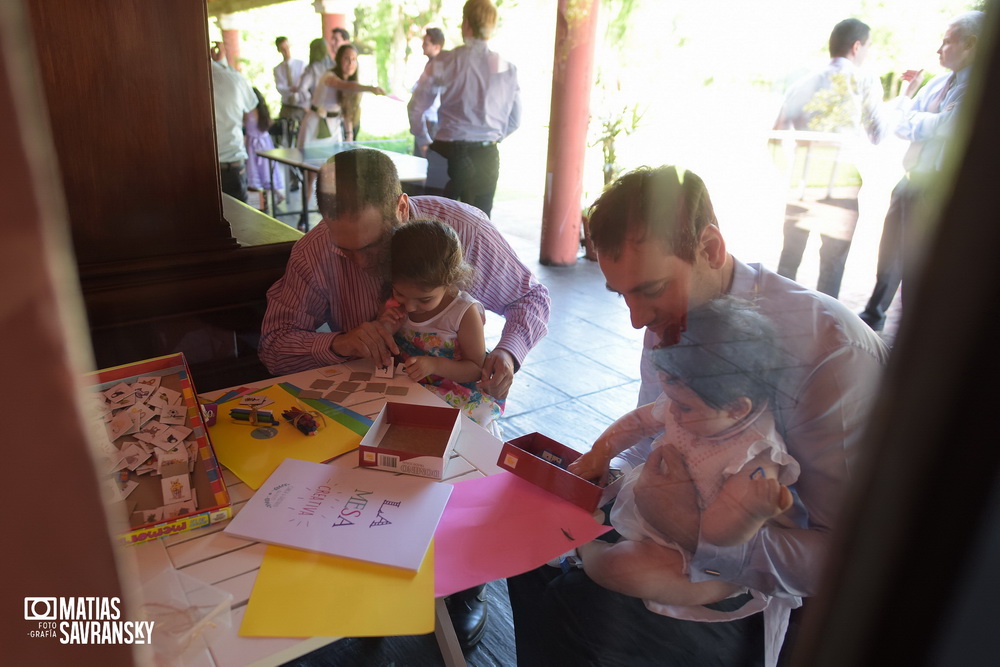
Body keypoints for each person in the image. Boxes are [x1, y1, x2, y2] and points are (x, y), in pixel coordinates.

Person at [508, 165, 888, 665]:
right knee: (526, 544)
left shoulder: (829, 354)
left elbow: (847, 560)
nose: (636, 319)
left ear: (709, 248)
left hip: (769, 594)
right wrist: (605, 479)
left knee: (577, 611)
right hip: (668, 532)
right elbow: (659, 433)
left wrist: (698, 534)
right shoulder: (673, 320)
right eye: (621, 294)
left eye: (649, 288)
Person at [259, 148, 551, 648]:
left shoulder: (461, 232)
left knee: (467, 474)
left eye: (370, 249)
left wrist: (507, 353)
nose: (357, 263)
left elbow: (532, 298)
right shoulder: (317, 250)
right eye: (342, 248)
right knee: (364, 484)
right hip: (372, 396)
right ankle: (377, 578)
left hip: (453, 398)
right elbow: (273, 345)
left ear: (399, 209)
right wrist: (336, 343)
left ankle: (464, 588)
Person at [570, 296, 799, 604]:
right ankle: (588, 539)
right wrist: (603, 450)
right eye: (670, 398)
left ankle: (588, 549)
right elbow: (639, 421)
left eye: (685, 406)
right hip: (647, 512)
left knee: (623, 569)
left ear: (736, 409)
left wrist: (750, 512)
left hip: (695, 556)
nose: (672, 412)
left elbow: (718, 535)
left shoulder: (754, 454)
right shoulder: (690, 398)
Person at [858, 11, 983, 331]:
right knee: (889, 254)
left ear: (971, 44)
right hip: (909, 181)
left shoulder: (979, 89)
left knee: (918, 261)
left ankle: (913, 328)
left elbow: (946, 128)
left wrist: (920, 122)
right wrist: (918, 113)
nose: (939, 49)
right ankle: (873, 317)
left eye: (947, 41)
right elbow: (906, 123)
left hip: (938, 188)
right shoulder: (939, 83)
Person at [772, 18, 886, 299]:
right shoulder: (865, 81)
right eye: (868, 46)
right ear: (857, 46)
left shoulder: (803, 82)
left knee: (790, 258)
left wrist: (788, 169)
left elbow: (776, 134)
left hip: (804, 177)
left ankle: (776, 317)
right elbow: (878, 134)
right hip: (842, 181)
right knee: (833, 264)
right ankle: (824, 325)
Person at [381, 219, 504, 436]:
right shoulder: (396, 305)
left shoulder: (463, 313)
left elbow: (476, 368)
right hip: (411, 390)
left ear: (451, 281)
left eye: (425, 299)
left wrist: (434, 365)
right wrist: (387, 329)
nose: (409, 306)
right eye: (400, 293)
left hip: (456, 394)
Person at [408, 0, 521, 218]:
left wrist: (423, 140)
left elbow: (416, 106)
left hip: (444, 152)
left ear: (466, 23)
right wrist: (489, 138)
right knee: (479, 225)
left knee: (434, 224)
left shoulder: (445, 61)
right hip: (485, 154)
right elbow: (515, 120)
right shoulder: (506, 68)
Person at [210, 41, 256, 203]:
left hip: (199, 167)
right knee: (239, 224)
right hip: (231, 163)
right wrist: (223, 64)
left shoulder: (184, 80)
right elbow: (250, 111)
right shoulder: (234, 78)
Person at [245, 88, 285, 210]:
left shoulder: (247, 112)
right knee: (266, 173)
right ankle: (269, 198)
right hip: (265, 144)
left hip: (253, 146)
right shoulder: (263, 111)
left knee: (255, 173)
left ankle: (261, 203)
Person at [410, 27, 445, 157]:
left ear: (437, 46)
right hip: (423, 121)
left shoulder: (438, 67)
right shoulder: (430, 65)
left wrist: (424, 139)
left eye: (426, 43)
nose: (422, 46)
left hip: (429, 123)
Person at [272, 36, 307, 126]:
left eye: (287, 48)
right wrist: (290, 89)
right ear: (279, 50)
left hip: (301, 105)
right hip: (287, 105)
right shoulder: (278, 69)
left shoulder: (301, 64)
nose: (286, 51)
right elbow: (280, 87)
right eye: (283, 49)